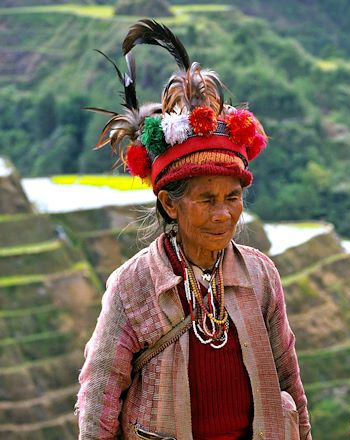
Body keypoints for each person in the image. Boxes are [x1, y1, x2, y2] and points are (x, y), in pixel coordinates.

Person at [76, 20, 310, 439]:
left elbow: (288, 379)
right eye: (206, 200)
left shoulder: (260, 276)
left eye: (232, 198)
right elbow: (99, 399)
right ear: (170, 203)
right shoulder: (132, 286)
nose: (223, 214)